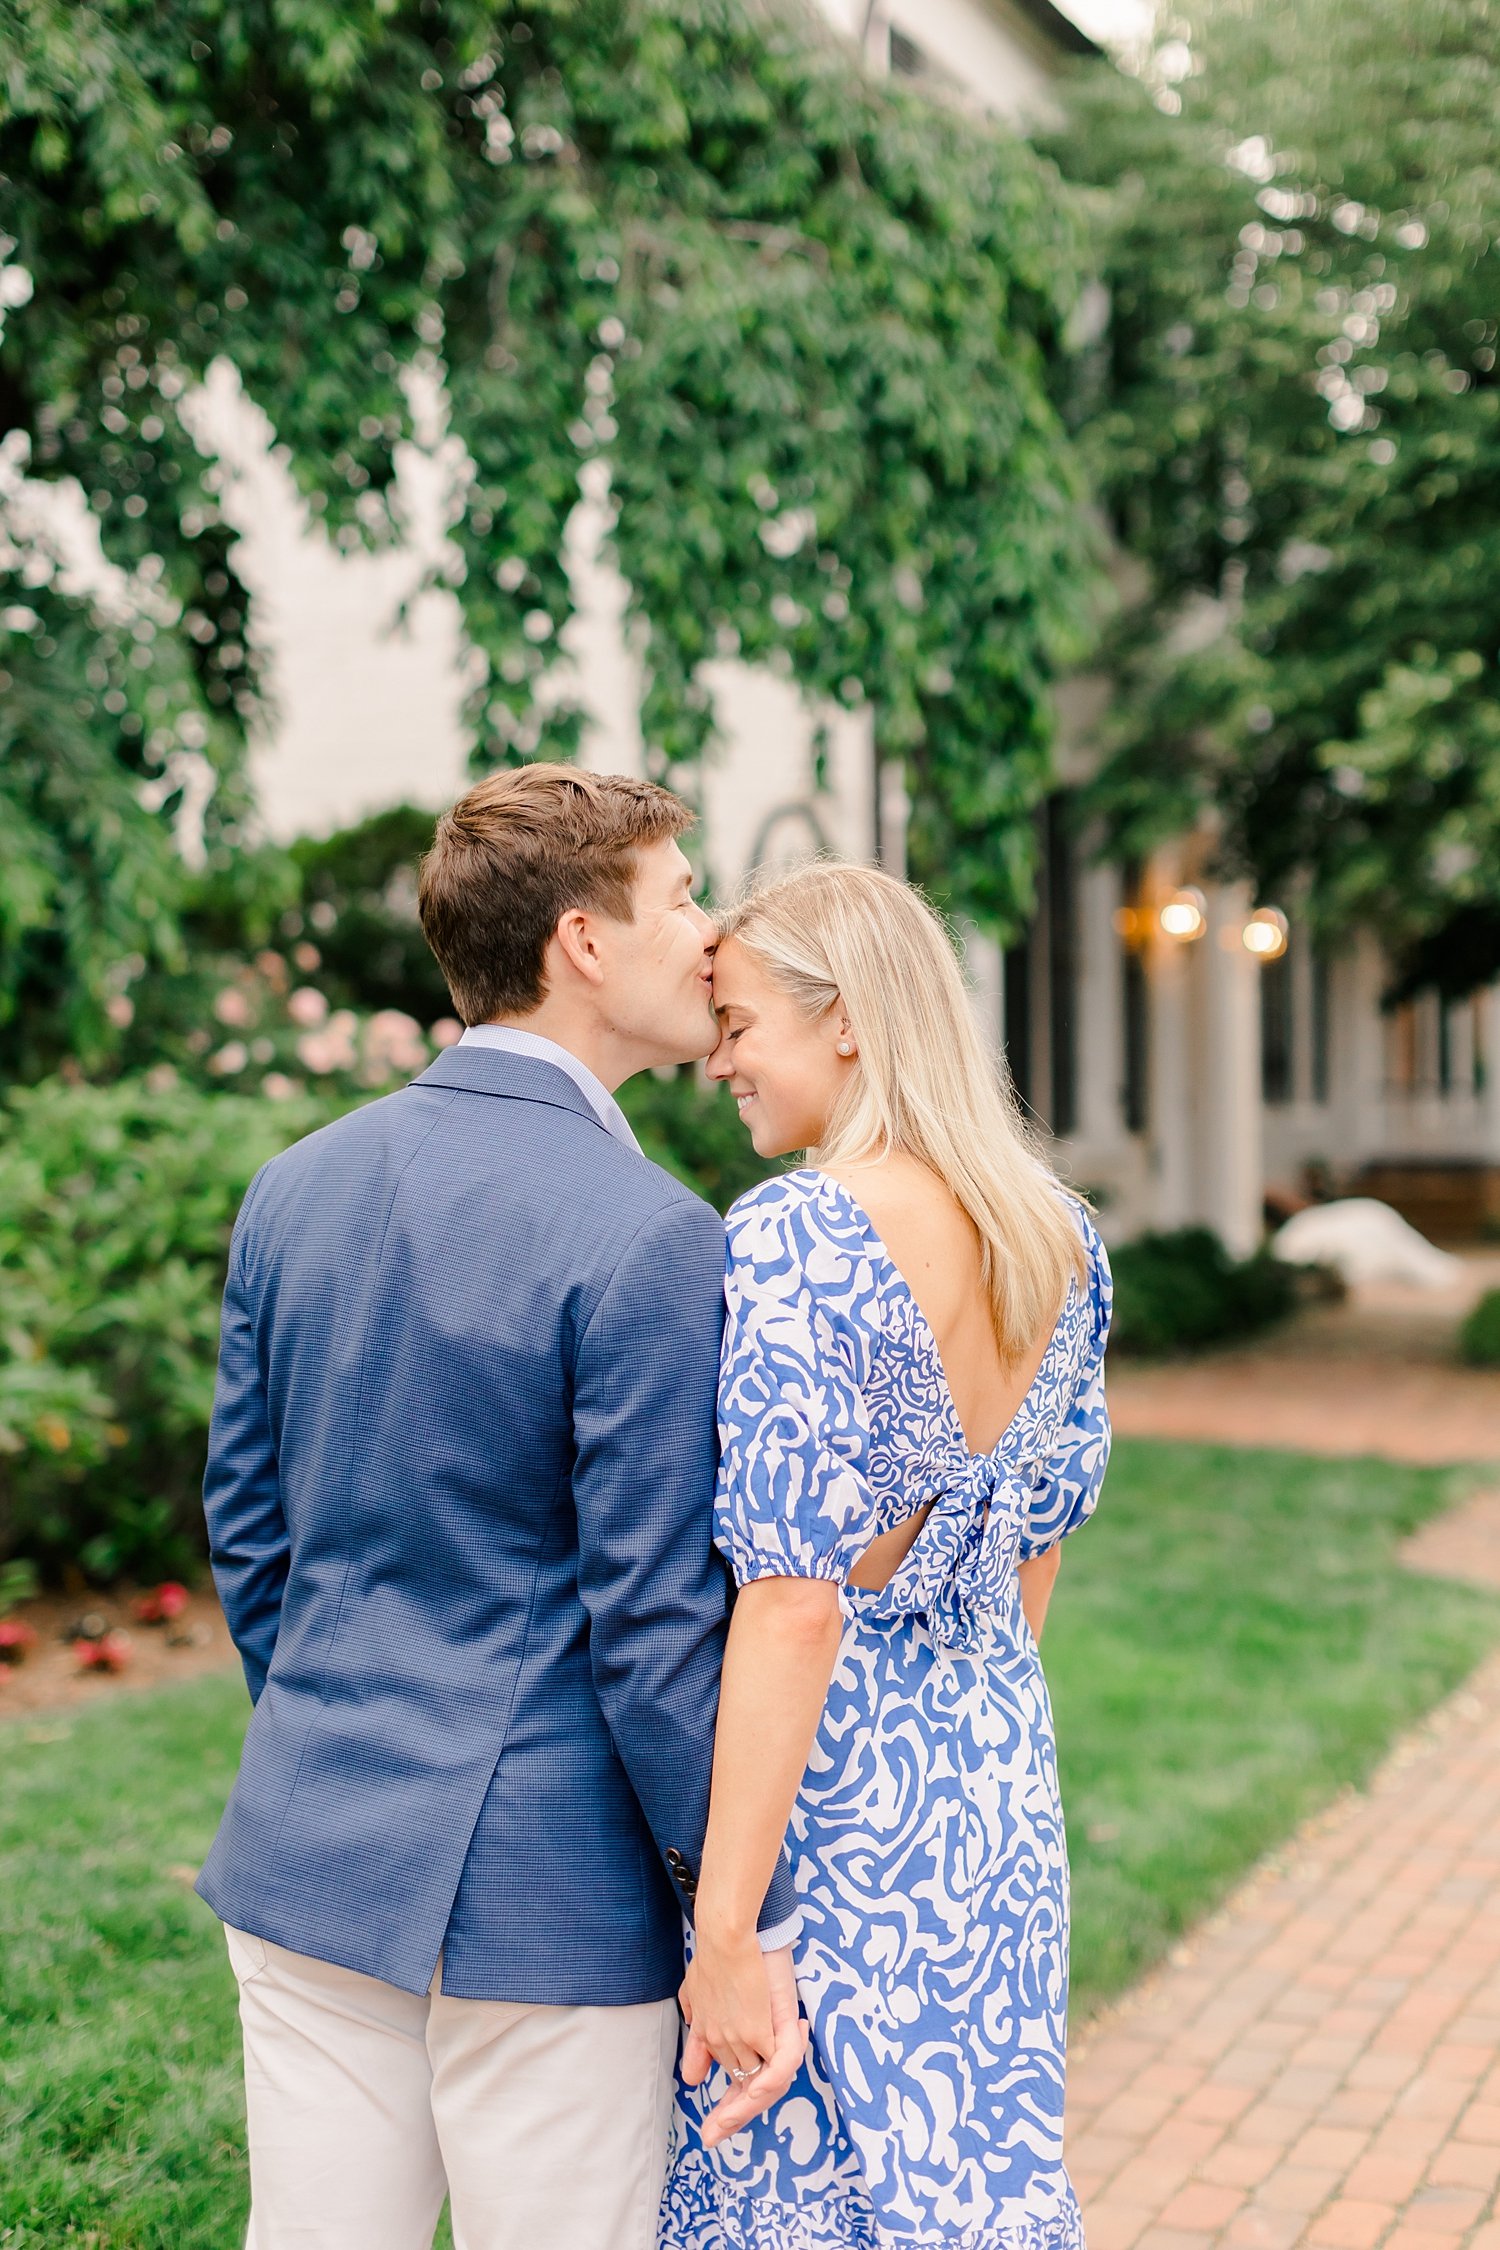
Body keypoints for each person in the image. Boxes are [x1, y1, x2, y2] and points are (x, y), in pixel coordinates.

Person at [197, 765, 803, 2250]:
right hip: (547, 1894)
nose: (708, 933)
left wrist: (348, 1712)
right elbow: (652, 1631)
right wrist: (729, 1912)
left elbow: (249, 1532)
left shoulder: (295, 1184)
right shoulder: (652, 1235)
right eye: (679, 897)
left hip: (308, 1840)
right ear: (584, 942)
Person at [659, 861, 1112, 2250]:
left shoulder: (801, 1236)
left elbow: (794, 1603)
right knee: (968, 2178)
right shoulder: (1057, 1233)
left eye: (737, 1022)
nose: (717, 1059)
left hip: (840, 1799)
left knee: (801, 2187)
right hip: (989, 1785)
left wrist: (728, 1929)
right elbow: (1034, 1552)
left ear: (845, 1017)